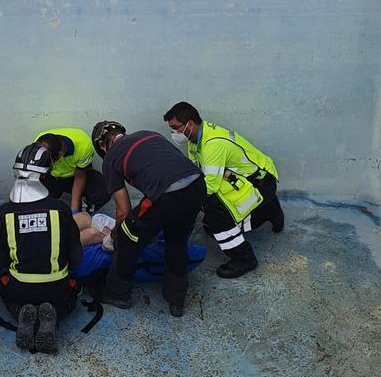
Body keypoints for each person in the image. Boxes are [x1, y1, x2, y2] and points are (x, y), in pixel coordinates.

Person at [91, 121, 206, 317]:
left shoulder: (110, 158)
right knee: (176, 240)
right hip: (197, 186)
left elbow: (123, 211)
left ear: (102, 147)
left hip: (166, 195)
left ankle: (117, 293)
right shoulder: (149, 133)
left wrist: (115, 235)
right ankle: (176, 300)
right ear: (123, 132)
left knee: (127, 237)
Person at [163, 101, 284, 278]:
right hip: (250, 179)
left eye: (175, 128)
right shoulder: (195, 139)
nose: (173, 133)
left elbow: (209, 187)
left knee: (214, 211)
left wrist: (183, 203)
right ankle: (270, 210)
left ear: (189, 124)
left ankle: (244, 258)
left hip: (261, 183)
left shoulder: (212, 144)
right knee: (206, 203)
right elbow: (198, 173)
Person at [0, 143, 83, 353]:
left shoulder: (3, 213)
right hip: (57, 287)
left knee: (1, 286)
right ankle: (55, 313)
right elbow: (76, 257)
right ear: (44, 175)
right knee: (73, 295)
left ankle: (21, 311)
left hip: (19, 286)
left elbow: (3, 258)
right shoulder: (60, 209)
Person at [35, 128, 110, 214]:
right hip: (52, 177)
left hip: (75, 175)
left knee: (102, 191)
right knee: (37, 200)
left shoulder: (84, 146)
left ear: (60, 154)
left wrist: (74, 209)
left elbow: (80, 176)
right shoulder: (39, 143)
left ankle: (85, 210)